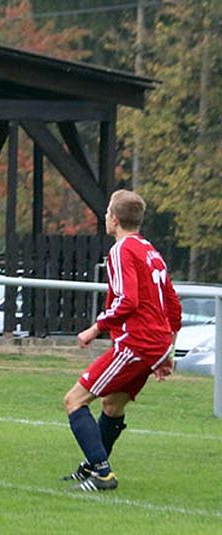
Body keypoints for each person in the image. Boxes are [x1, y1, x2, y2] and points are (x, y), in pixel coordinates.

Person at [64, 189, 181, 491]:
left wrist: (95, 329)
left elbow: (128, 300)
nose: (105, 216)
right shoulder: (150, 251)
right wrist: (166, 350)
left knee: (74, 400)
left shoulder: (121, 251)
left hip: (137, 343)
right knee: (112, 405)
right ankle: (92, 466)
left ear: (114, 219)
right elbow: (172, 303)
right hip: (153, 344)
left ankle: (103, 474)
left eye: (107, 212)